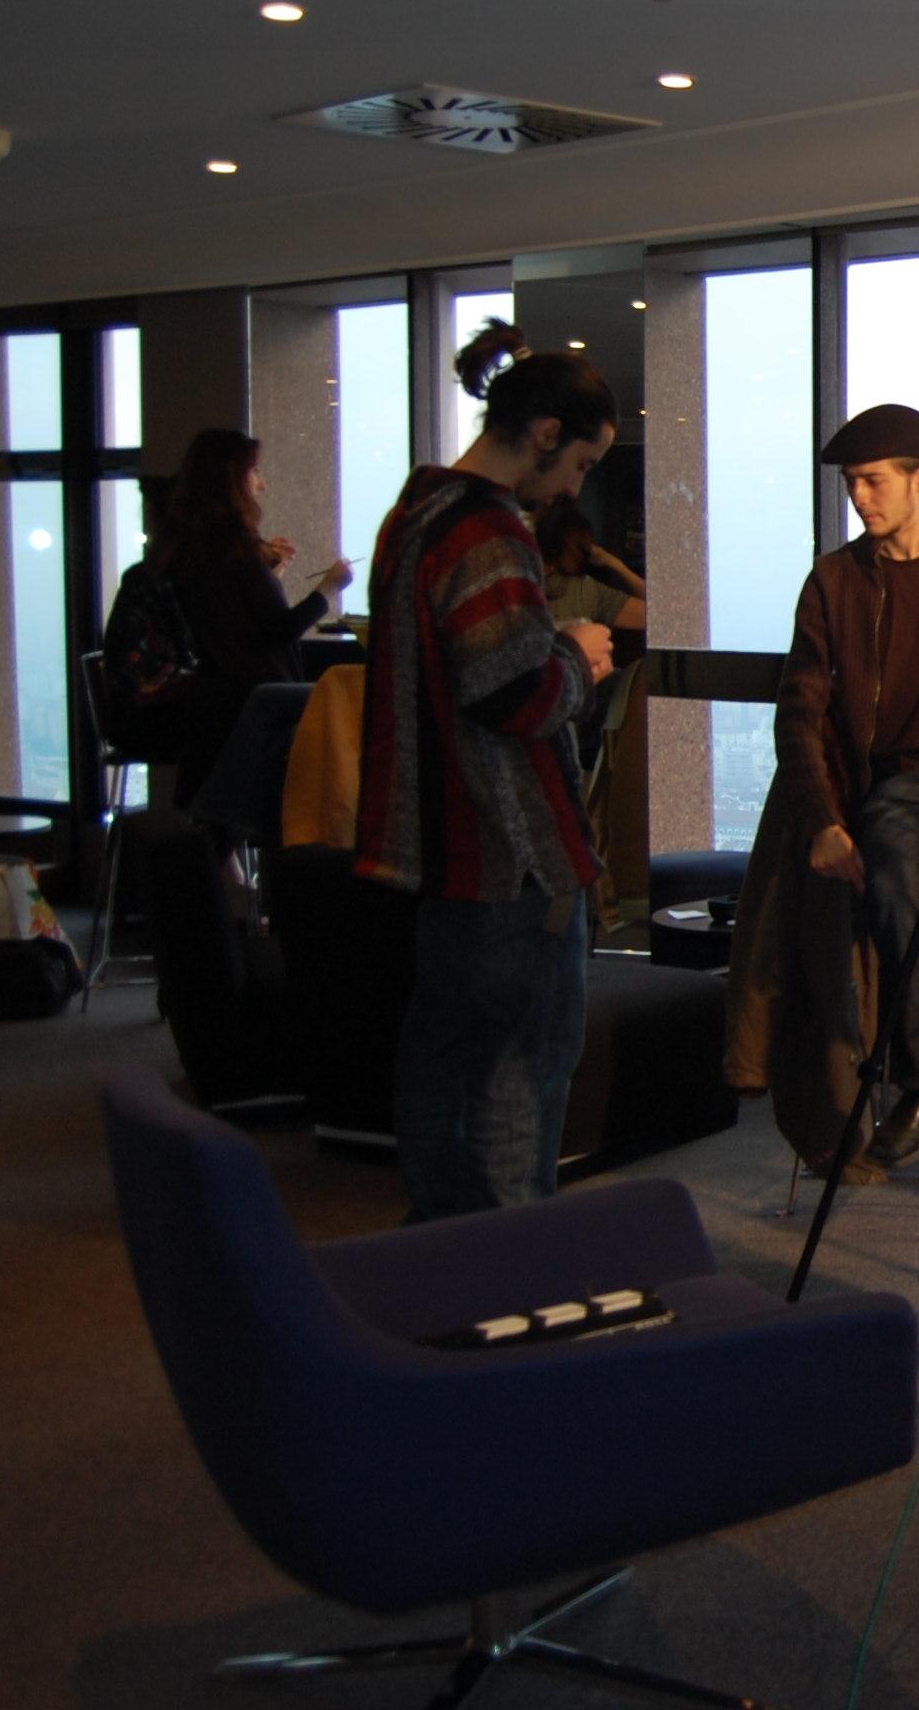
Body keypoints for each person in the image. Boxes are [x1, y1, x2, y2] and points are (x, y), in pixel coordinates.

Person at [354, 320, 619, 1220]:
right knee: (519, 1082)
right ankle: (511, 1273)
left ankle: (445, 1258)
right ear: (544, 435)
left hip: (441, 853)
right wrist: (578, 656)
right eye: (579, 463)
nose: (573, 487)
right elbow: (513, 694)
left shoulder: (415, 515)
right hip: (510, 854)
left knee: (439, 1070)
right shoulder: (488, 529)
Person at [756, 402, 919, 1177]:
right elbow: (798, 714)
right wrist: (822, 821)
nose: (860, 497)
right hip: (904, 786)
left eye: (874, 480)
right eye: (853, 483)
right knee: (889, 872)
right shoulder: (834, 584)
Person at [153, 429, 351, 819]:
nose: (261, 484)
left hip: (216, 696)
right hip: (253, 696)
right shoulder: (236, 550)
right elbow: (280, 629)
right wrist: (329, 587)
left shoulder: (194, 547)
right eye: (254, 472)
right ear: (233, 480)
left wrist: (270, 574)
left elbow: (234, 617)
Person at [535, 502, 646, 632]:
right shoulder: (526, 579)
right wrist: (614, 563)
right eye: (580, 544)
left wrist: (614, 563)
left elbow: (659, 614)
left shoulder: (588, 589)